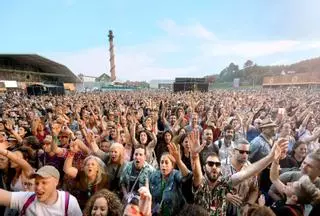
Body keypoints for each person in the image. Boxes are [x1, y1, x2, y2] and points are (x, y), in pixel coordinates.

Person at [0, 165, 82, 215]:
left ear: (56, 182)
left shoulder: (68, 202)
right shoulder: (27, 199)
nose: (38, 187)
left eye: (44, 183)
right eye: (36, 183)